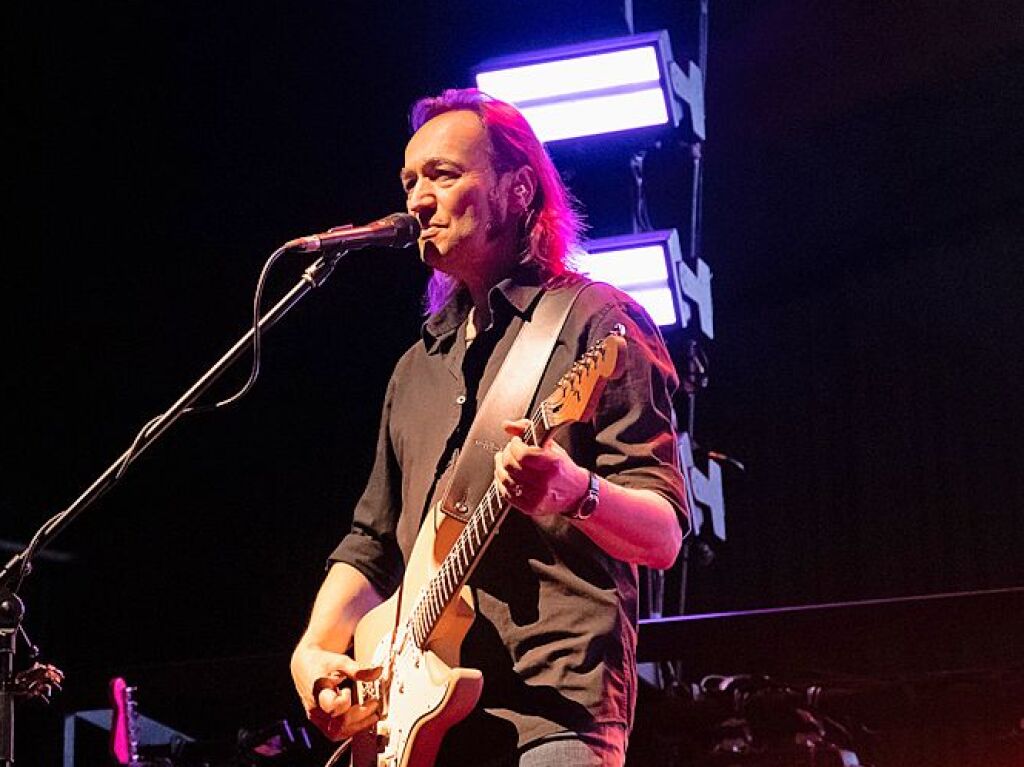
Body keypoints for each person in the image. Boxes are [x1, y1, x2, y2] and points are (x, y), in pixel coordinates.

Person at [290, 88, 688, 767]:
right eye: (411, 181)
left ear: (518, 189)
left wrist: (574, 491)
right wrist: (313, 654)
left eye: (444, 175)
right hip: (413, 724)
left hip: (550, 715)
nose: (418, 199)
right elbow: (370, 544)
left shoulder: (595, 324)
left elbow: (663, 535)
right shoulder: (416, 368)